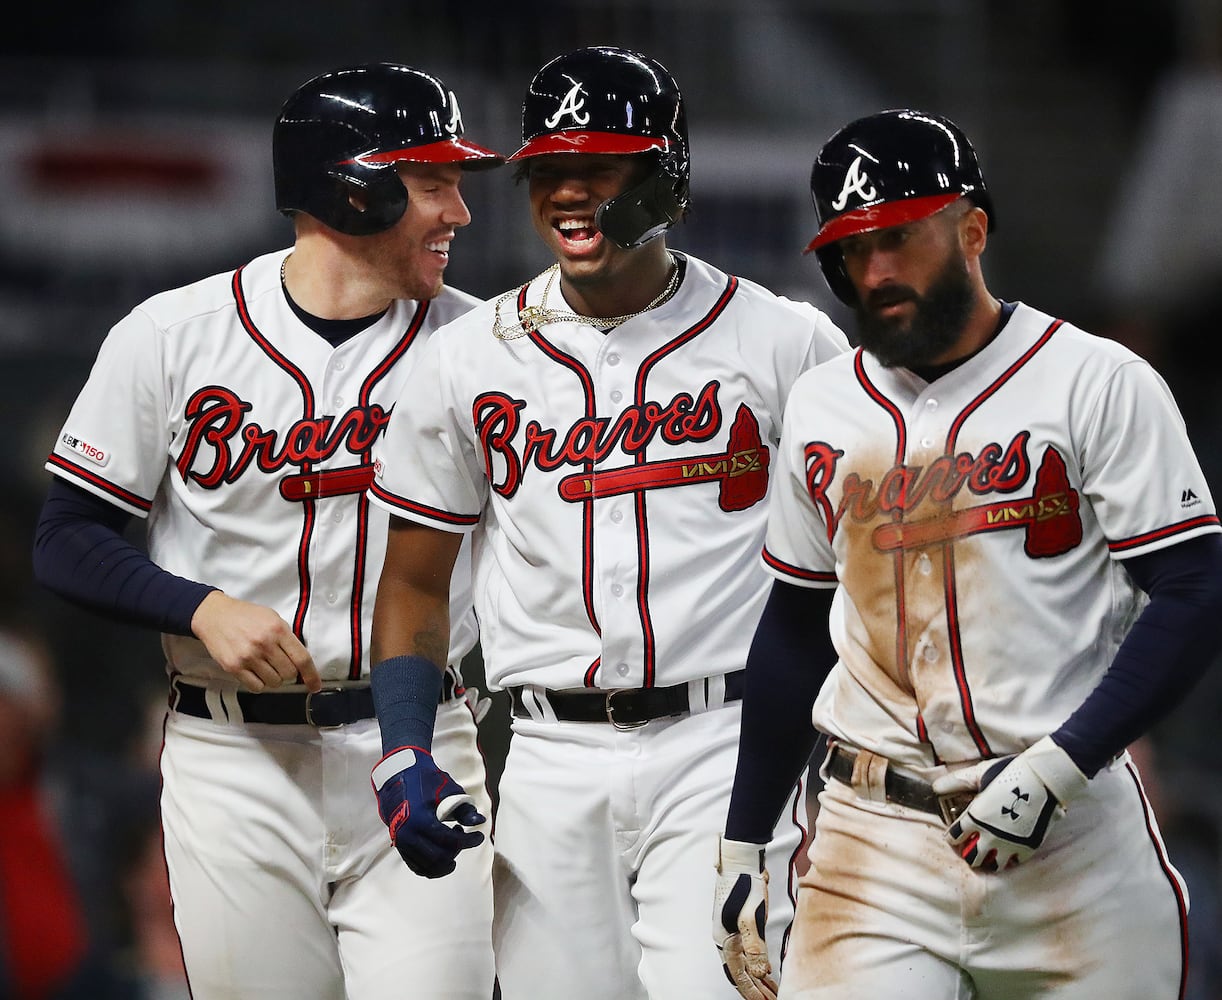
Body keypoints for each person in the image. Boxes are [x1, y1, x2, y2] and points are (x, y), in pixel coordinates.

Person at [365, 44, 849, 1000]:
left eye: (601, 166)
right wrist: (404, 747)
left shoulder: (786, 342)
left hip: (731, 739)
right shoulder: (467, 359)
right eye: (550, 169)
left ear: (665, 176)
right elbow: (415, 583)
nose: (569, 193)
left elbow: (862, 564)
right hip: (546, 755)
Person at [712, 107, 1222, 1000]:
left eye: (898, 239)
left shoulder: (1096, 381)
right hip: (875, 834)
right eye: (849, 248)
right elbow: (795, 629)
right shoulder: (824, 405)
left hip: (1073, 830)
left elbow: (1195, 589)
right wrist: (747, 837)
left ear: (972, 230)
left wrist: (1066, 762)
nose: (873, 271)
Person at [32, 63, 503, 1000]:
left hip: (420, 737)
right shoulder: (174, 335)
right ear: (352, 185)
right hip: (232, 760)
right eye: (432, 182)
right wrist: (198, 607)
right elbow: (67, 536)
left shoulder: (484, 350)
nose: (459, 211)